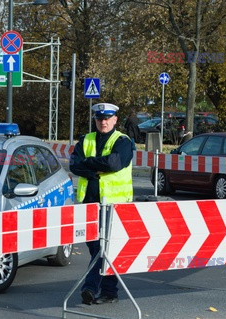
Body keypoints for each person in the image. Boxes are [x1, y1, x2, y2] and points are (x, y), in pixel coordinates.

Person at [70, 102, 133, 305]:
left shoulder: (123, 141)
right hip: (89, 204)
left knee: (102, 248)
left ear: (115, 120)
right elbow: (74, 165)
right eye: (99, 118)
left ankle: (90, 287)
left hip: (113, 205)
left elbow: (115, 163)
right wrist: (96, 168)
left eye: (107, 118)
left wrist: (88, 163)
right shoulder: (86, 139)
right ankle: (110, 291)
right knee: (95, 247)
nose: (103, 122)